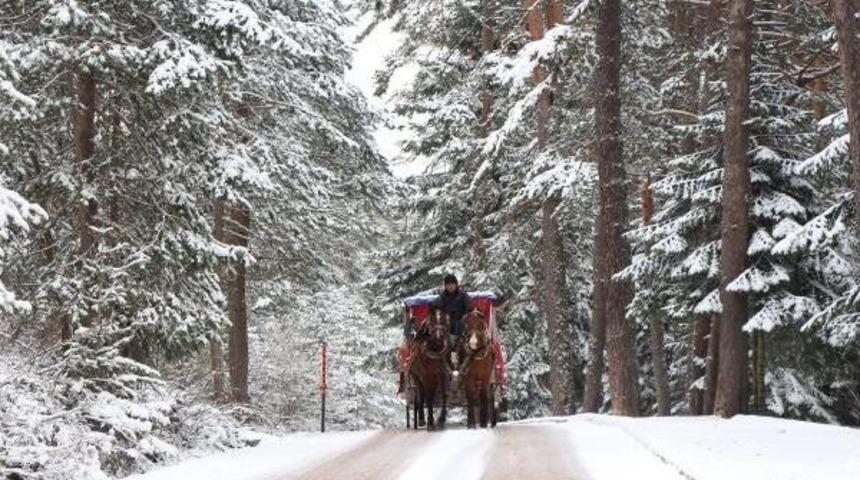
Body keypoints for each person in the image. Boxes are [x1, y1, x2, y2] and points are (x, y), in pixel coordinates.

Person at [434, 274, 471, 374]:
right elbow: (437, 309)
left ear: (456, 285)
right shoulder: (442, 297)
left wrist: (464, 317)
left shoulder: (463, 296)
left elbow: (469, 310)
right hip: (447, 327)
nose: (450, 286)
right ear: (445, 286)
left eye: (452, 284)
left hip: (462, 326)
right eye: (448, 284)